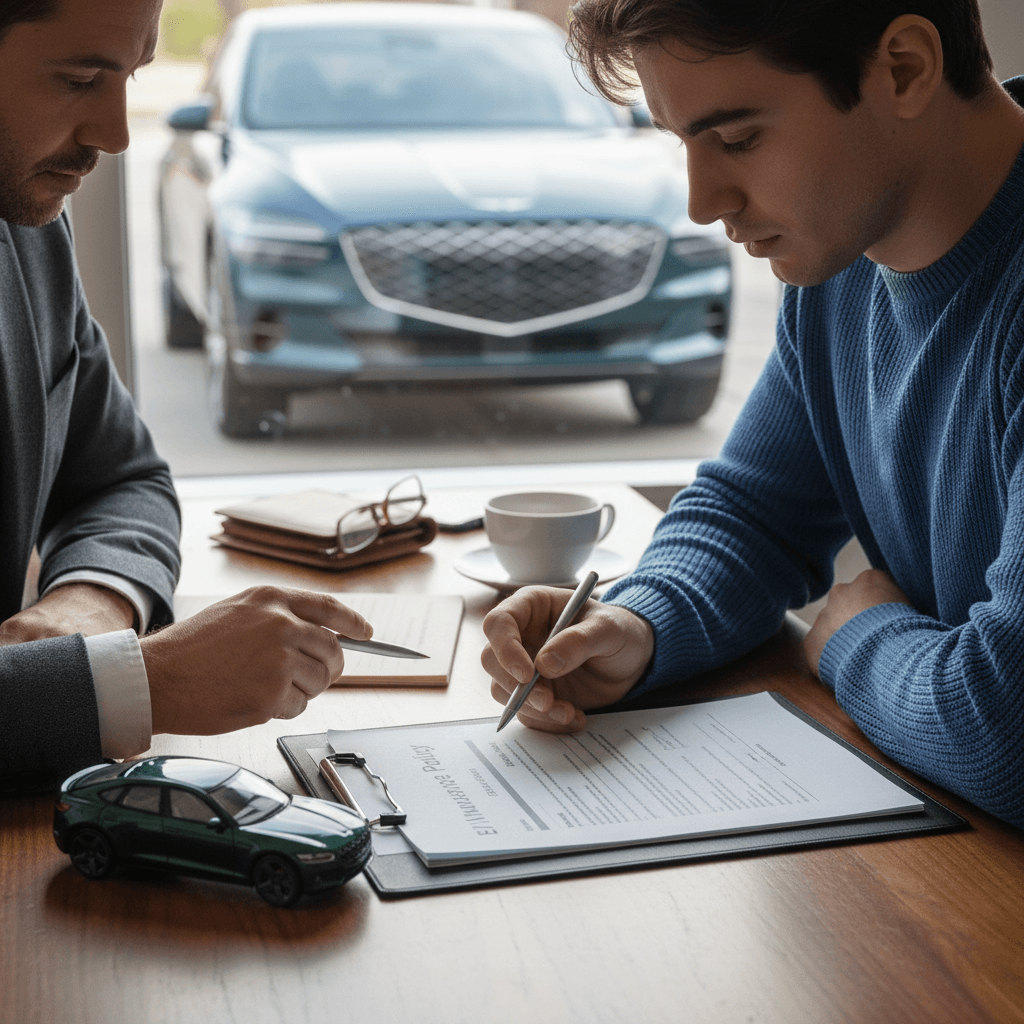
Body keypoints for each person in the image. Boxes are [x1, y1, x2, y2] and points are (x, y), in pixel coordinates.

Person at [482, 0, 1024, 829]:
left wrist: (855, 635)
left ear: (905, 68)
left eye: (737, 140)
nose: (702, 201)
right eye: (684, 143)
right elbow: (755, 516)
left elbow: (1006, 733)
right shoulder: (843, 266)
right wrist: (637, 622)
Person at [0, 0, 372, 793]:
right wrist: (144, 683)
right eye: (77, 79)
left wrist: (91, 605)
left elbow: (121, 479)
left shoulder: (27, 232)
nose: (117, 135)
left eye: (129, 77)